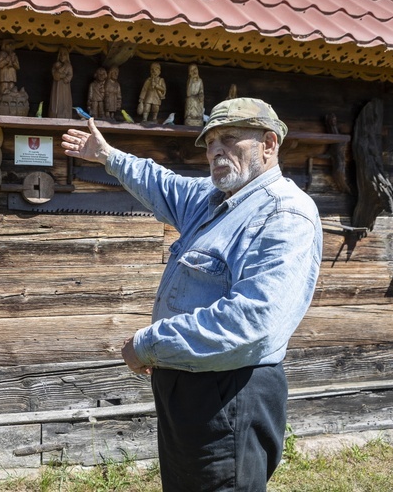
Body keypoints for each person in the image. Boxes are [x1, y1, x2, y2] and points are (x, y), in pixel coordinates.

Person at [60, 97, 322, 491]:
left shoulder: (284, 214)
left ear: (269, 144)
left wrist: (150, 344)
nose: (216, 150)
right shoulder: (211, 199)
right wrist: (107, 155)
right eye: (210, 143)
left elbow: (253, 322)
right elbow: (160, 182)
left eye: (230, 139)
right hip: (189, 386)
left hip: (230, 393)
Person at [48, 47, 73, 119]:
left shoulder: (68, 66)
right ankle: (54, 113)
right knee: (55, 98)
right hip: (56, 85)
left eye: (64, 54)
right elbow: (55, 75)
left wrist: (63, 77)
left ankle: (65, 113)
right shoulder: (55, 65)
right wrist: (59, 74)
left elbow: (70, 75)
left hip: (65, 86)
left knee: (65, 99)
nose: (62, 56)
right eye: (61, 54)